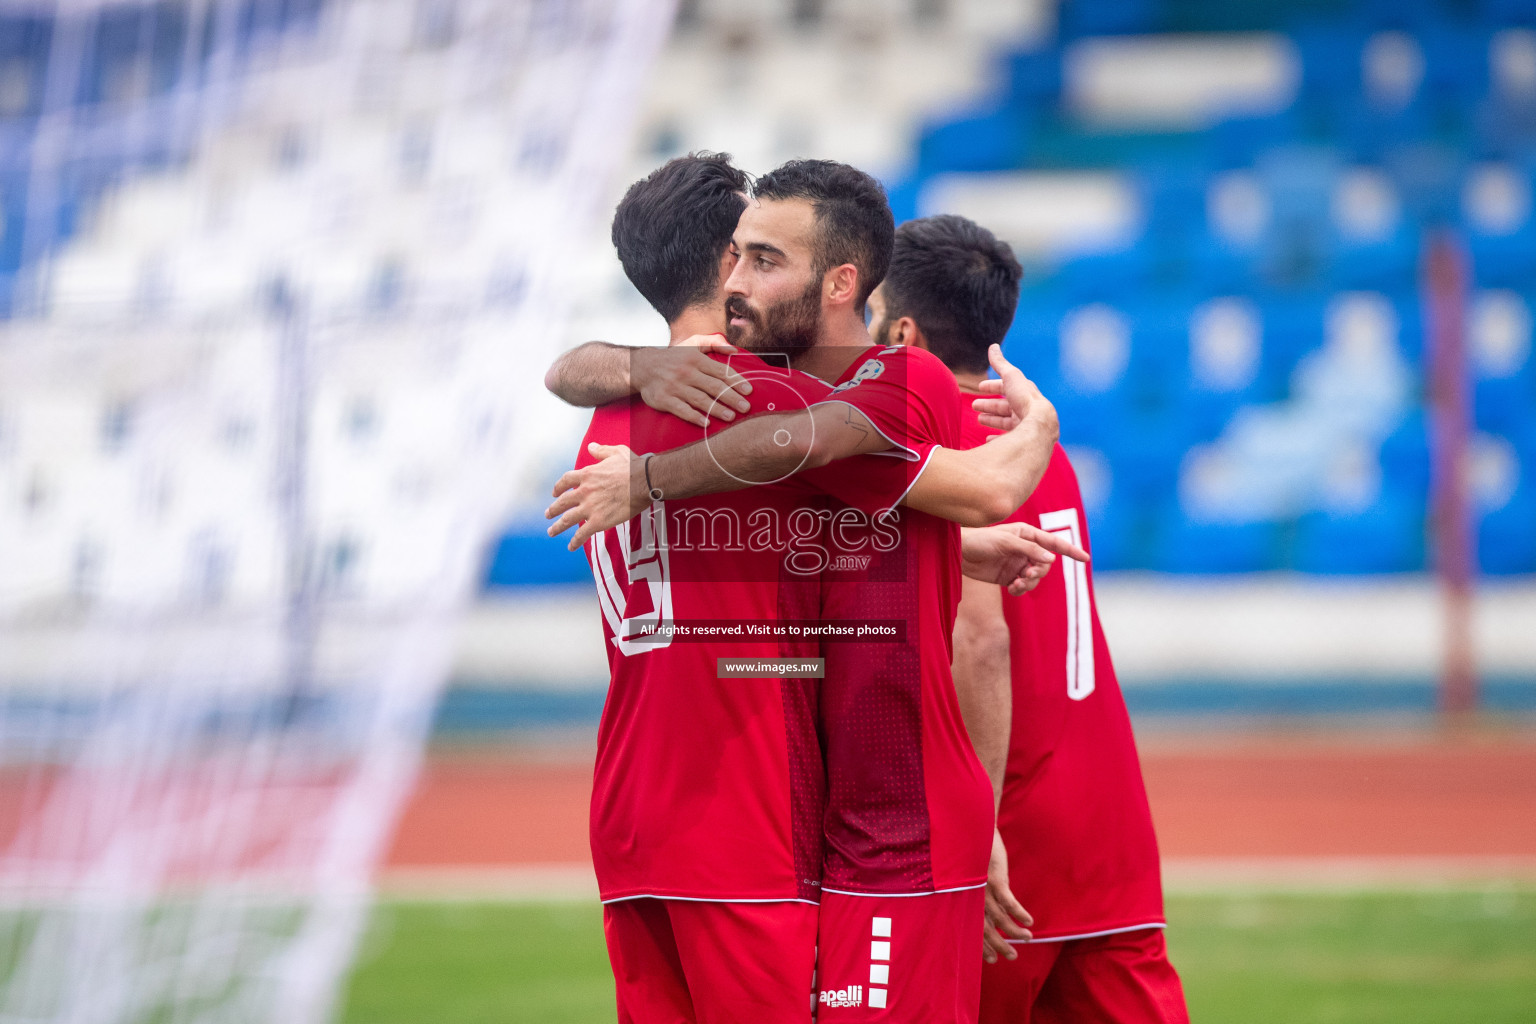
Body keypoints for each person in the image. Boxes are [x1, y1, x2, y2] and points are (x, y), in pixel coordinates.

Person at [563, 154, 1075, 1024]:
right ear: (725, 262)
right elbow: (975, 485)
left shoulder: (607, 407)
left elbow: (805, 519)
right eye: (752, 254)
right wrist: (1040, 433)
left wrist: (962, 547)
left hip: (629, 820)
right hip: (742, 823)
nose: (755, 272)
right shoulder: (763, 400)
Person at [869, 214, 1190, 1024]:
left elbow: (981, 640)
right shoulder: (1042, 442)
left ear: (903, 329)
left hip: (1012, 828)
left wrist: (978, 831)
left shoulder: (951, 452)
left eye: (872, 315)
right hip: (1108, 825)